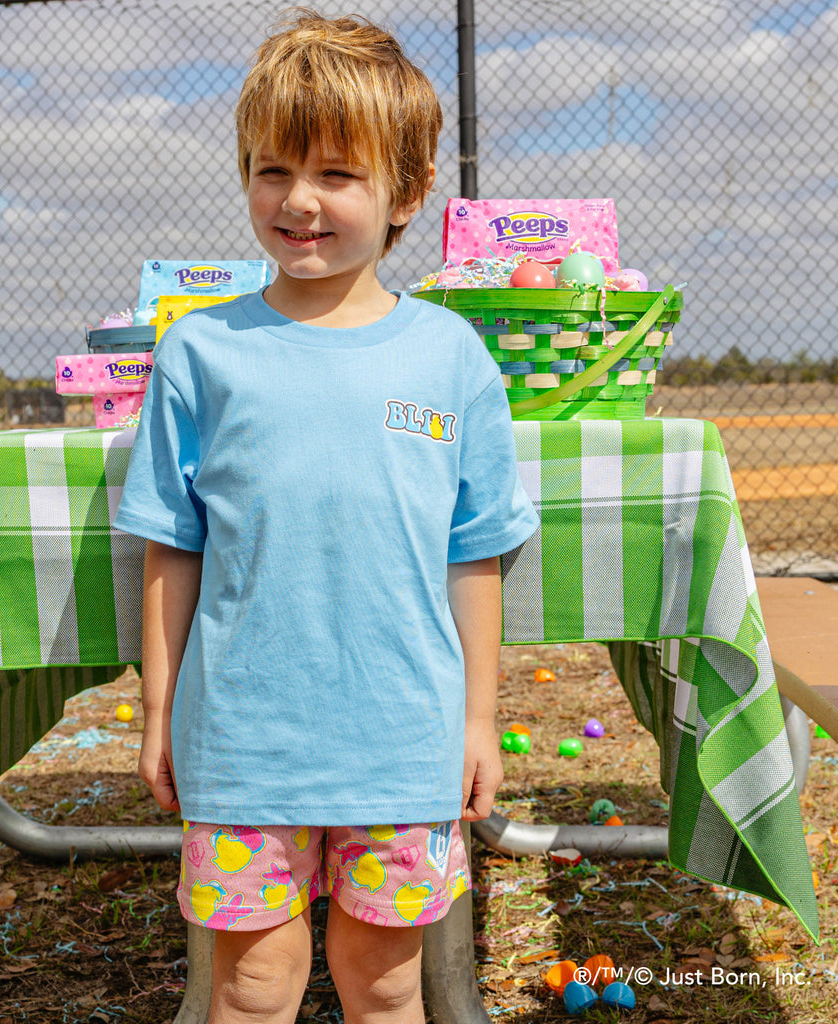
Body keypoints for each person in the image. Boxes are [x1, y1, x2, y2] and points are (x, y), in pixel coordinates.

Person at [113, 9, 539, 1022]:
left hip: (403, 746)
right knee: (252, 988)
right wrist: (164, 712)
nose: (299, 200)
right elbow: (171, 548)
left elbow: (473, 557)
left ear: (408, 191)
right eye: (272, 169)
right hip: (241, 750)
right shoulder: (200, 354)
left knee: (387, 983)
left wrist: (477, 720)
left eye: (336, 175)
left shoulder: (449, 359)